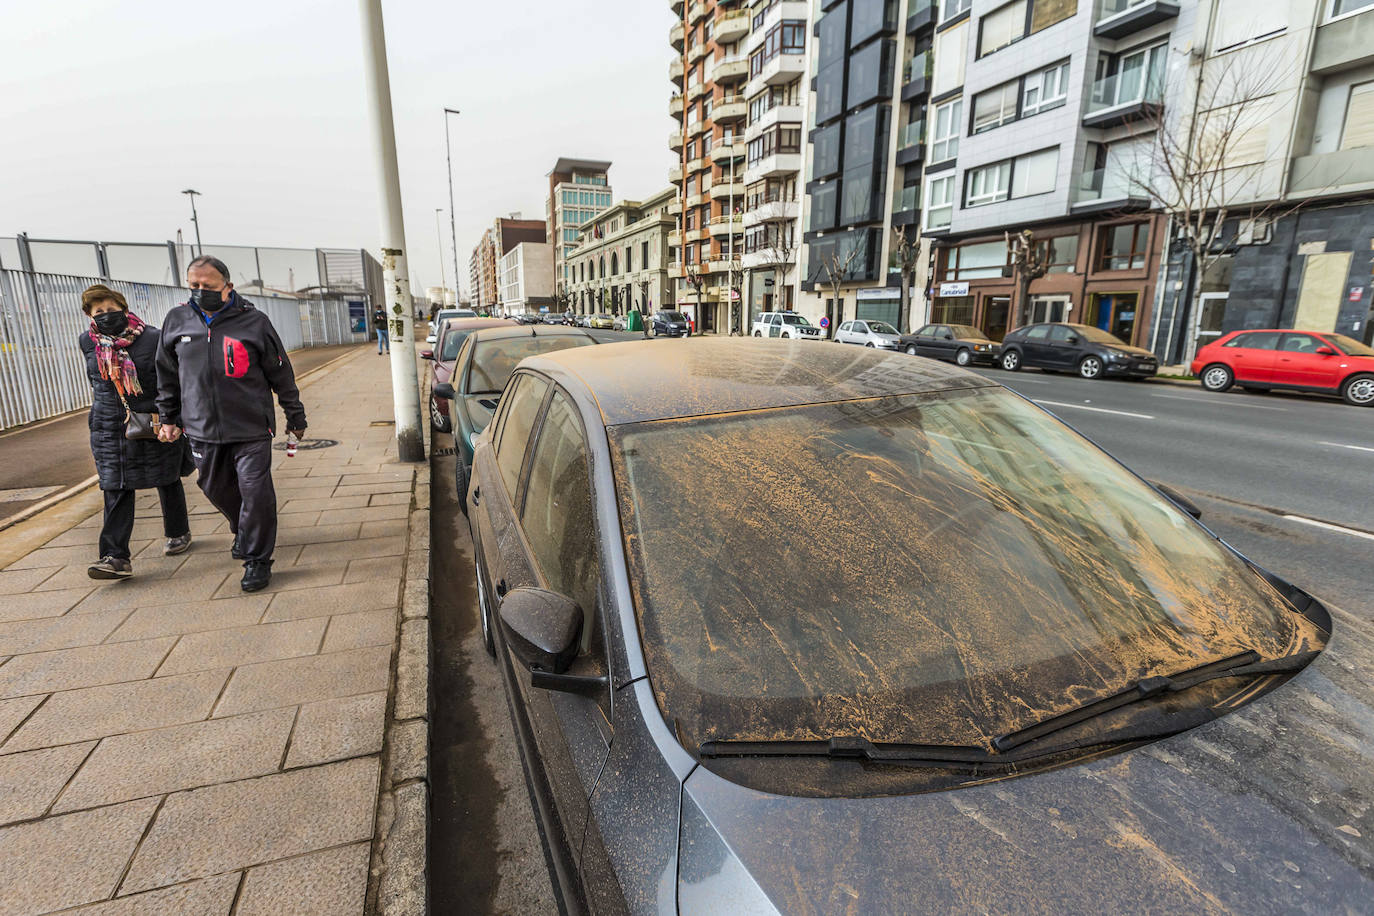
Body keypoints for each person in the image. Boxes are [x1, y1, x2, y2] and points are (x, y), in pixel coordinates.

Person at [155, 256, 308, 592]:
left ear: (228, 287)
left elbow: (280, 371)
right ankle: (244, 528)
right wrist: (168, 417)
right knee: (214, 488)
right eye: (193, 286)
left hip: (251, 427)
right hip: (201, 429)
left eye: (207, 287)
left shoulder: (253, 322)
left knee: (255, 492)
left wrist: (294, 414)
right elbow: (166, 374)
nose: (199, 292)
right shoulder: (177, 320)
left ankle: (257, 560)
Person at [79, 285, 195, 579]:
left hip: (154, 419)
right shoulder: (88, 343)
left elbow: (172, 379)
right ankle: (115, 557)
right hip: (108, 426)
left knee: (166, 478)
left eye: (111, 309)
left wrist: (174, 417)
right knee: (115, 486)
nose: (107, 316)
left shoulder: (153, 338)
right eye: (99, 312)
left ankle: (178, 531)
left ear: (124, 307)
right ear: (89, 315)